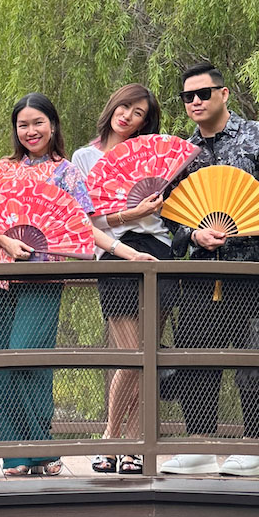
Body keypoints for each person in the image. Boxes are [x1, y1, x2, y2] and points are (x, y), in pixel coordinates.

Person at [0, 93, 146, 477]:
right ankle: (15, 456)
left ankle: (42, 449)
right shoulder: (3, 168)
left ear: (52, 125)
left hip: (44, 276)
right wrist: (5, 241)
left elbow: (84, 226)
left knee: (29, 355)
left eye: (37, 122)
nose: (30, 131)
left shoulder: (66, 170)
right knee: (1, 366)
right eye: (23, 124)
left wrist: (126, 252)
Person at [159, 62, 259, 477]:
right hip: (201, 274)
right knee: (194, 356)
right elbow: (171, 215)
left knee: (253, 357)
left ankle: (252, 449)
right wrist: (193, 236)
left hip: (254, 268)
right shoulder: (183, 153)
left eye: (204, 93)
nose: (196, 102)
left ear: (224, 94)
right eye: (188, 96)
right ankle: (199, 446)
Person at [73, 84, 173, 475]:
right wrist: (128, 218)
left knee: (149, 356)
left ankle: (137, 446)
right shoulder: (85, 157)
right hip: (114, 250)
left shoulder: (156, 156)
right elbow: (87, 220)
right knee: (130, 357)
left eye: (138, 112)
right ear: (112, 104)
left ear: (146, 122)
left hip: (158, 249)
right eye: (125, 106)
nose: (127, 115)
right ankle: (112, 436)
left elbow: (168, 213)